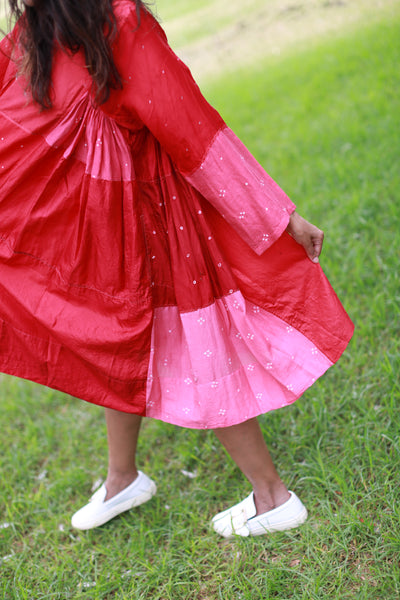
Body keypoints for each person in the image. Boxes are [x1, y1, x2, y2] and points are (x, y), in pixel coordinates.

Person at [0, 0, 353, 538]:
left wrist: (275, 215)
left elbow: (193, 129)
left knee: (196, 343)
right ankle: (123, 477)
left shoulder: (120, 23)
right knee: (115, 345)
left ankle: (273, 497)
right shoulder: (35, 30)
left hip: (156, 223)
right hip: (94, 235)